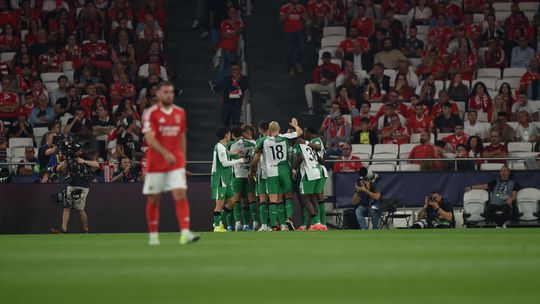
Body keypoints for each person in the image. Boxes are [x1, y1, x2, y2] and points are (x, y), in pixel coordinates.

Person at [141, 81, 199, 245]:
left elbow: (182, 137)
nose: (169, 95)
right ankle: (153, 236)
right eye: (166, 92)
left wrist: (183, 162)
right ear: (158, 94)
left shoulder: (180, 113)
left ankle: (185, 232)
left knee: (180, 194)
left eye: (171, 92)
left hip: (175, 163)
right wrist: (165, 153)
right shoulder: (151, 113)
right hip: (156, 164)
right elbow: (149, 138)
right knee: (154, 198)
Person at [251, 119, 303, 231]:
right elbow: (300, 132)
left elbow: (255, 152)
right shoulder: (285, 137)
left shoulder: (263, 140)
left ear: (269, 130)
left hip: (271, 172)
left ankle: (273, 226)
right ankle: (285, 223)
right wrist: (295, 125)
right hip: (284, 170)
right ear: (279, 129)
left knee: (273, 199)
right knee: (287, 197)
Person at [211, 125, 247, 232]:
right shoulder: (220, 147)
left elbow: (227, 154)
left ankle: (218, 221)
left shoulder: (223, 146)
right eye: (229, 133)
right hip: (220, 179)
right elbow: (225, 163)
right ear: (225, 135)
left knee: (232, 202)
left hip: (226, 179)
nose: (230, 134)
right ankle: (217, 227)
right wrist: (239, 161)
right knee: (219, 204)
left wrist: (235, 154)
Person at [293, 138, 328, 231]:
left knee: (304, 198)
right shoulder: (311, 146)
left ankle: (316, 222)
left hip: (309, 173)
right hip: (319, 171)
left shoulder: (300, 145)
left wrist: (294, 169)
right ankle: (320, 224)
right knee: (313, 198)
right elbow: (321, 159)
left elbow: (300, 158)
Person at [228, 125, 258, 231]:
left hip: (238, 175)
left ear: (232, 135)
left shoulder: (231, 145)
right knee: (251, 200)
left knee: (236, 200)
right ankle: (254, 223)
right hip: (250, 174)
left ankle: (238, 223)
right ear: (242, 133)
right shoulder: (253, 143)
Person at [280, 0, 308, 76]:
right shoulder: (284, 7)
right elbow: (281, 19)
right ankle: (291, 67)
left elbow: (306, 18)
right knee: (290, 50)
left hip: (299, 31)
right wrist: (289, 11)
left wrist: (300, 12)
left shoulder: (301, 7)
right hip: (288, 32)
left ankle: (298, 63)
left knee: (301, 48)